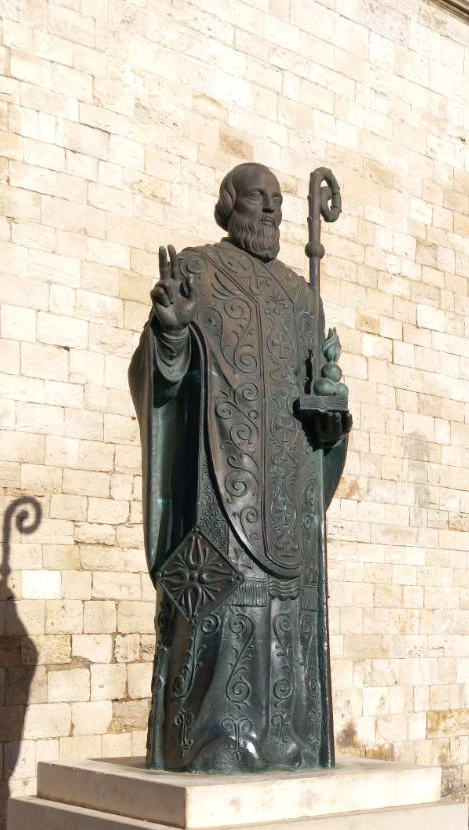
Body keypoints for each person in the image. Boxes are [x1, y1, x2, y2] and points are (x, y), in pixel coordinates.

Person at [129, 162, 353, 772]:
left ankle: (286, 738)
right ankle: (210, 741)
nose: (273, 209)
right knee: (223, 610)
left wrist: (331, 409)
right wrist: (170, 336)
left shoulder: (302, 298)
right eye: (259, 197)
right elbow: (160, 375)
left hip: (287, 492)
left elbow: (318, 399)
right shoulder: (199, 270)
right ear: (230, 204)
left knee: (284, 613)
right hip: (217, 479)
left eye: (279, 200)